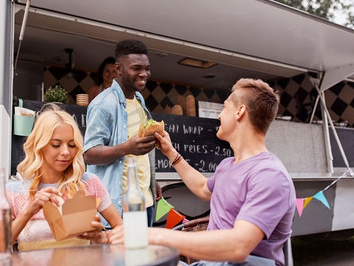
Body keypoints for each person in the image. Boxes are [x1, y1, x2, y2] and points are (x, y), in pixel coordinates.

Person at [111, 78, 296, 266]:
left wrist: (153, 235)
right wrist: (170, 152)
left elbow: (239, 246)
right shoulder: (227, 165)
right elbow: (202, 188)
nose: (219, 116)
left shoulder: (270, 175)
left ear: (239, 112)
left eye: (224, 108)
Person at [0, 107, 121, 255]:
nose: (66, 152)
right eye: (56, 144)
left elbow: (120, 229)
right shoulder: (14, 192)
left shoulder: (89, 183)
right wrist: (29, 210)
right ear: (39, 146)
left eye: (72, 145)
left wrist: (102, 237)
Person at [83, 39, 161, 227]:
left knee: (142, 256)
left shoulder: (140, 100)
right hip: (118, 207)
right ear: (118, 69)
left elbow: (139, 154)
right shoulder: (103, 105)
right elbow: (89, 154)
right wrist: (126, 148)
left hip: (145, 201)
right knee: (119, 257)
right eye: (137, 68)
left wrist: (152, 181)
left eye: (147, 68)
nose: (144, 74)